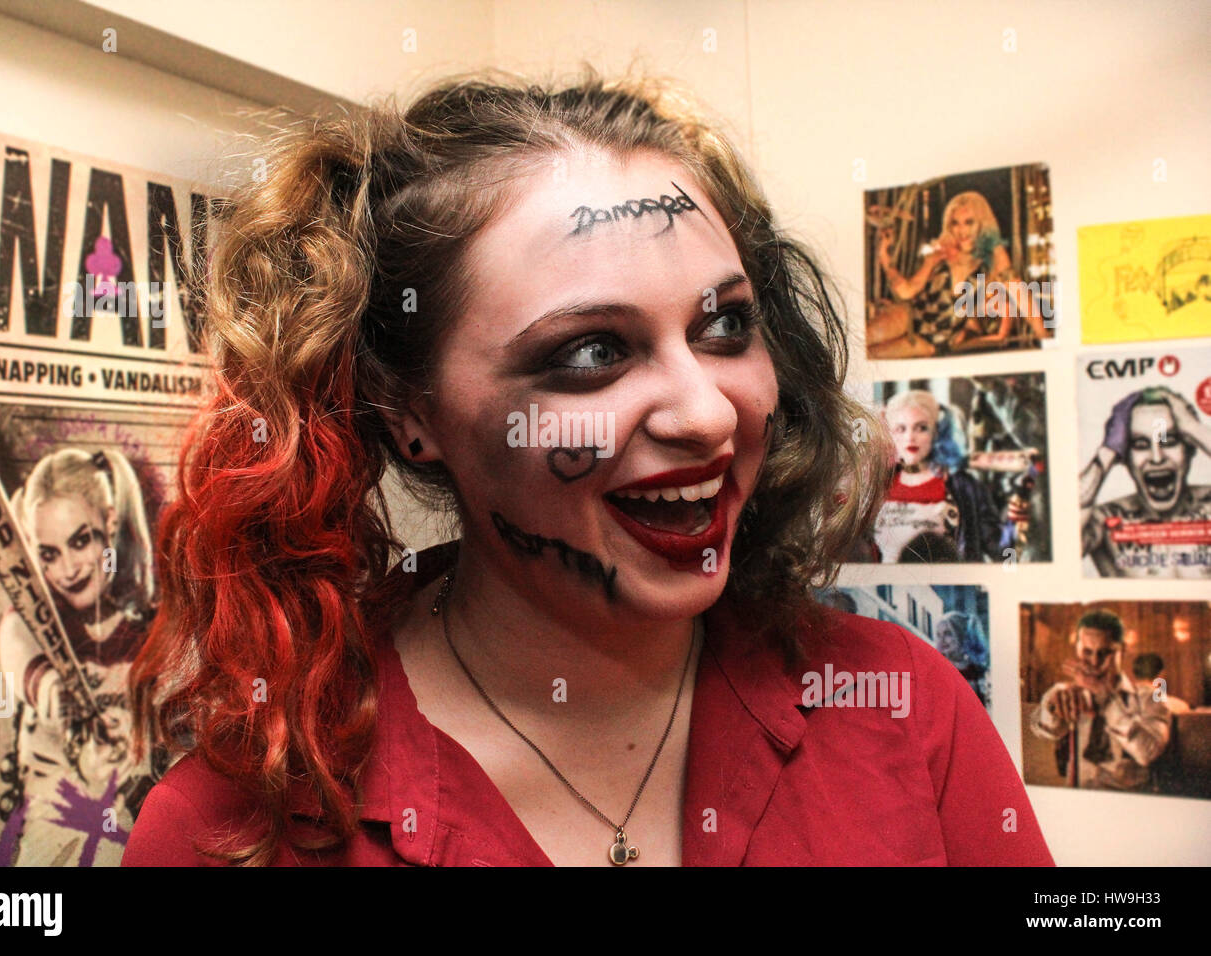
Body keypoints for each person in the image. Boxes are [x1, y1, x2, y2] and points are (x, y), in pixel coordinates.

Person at [123, 68, 1053, 866]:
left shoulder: (899, 706)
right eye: (591, 353)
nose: (706, 412)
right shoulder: (233, 828)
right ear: (412, 415)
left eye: (724, 326)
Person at [0, 447, 161, 866]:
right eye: (49, 554)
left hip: (138, 834)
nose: (67, 569)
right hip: (56, 839)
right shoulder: (27, 626)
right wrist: (56, 695)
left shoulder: (153, 624)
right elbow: (17, 647)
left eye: (80, 541)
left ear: (108, 522)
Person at [868, 190, 1048, 358]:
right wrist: (884, 256)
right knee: (861, 346)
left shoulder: (993, 259)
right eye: (956, 223)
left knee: (873, 356)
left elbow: (1022, 297)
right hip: (907, 316)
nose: (962, 231)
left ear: (981, 223)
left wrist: (1044, 337)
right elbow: (906, 291)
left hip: (932, 342)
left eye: (969, 222)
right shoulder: (942, 252)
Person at [1029, 609, 1171, 791]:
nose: (1095, 662)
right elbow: (1043, 731)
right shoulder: (1069, 693)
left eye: (1104, 653)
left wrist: (1106, 697)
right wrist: (1051, 708)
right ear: (1078, 650)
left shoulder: (1151, 697)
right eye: (1087, 652)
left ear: (1123, 650)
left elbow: (1148, 753)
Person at [870, 389, 1019, 563]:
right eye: (901, 429)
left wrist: (1016, 522)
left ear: (936, 432)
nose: (910, 437)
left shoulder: (963, 486)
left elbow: (1001, 549)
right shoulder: (880, 485)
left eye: (921, 428)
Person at [1080, 385, 1211, 577]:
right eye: (1140, 445)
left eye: (1169, 441)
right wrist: (1107, 451)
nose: (1157, 458)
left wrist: (1195, 430)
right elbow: (1061, 536)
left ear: (1191, 449)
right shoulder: (1106, 519)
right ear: (1124, 457)